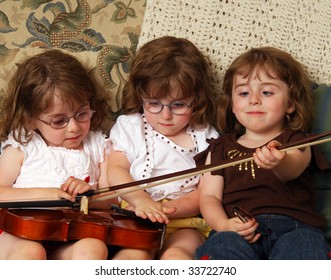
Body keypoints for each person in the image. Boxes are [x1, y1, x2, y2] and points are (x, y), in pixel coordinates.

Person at [0, 49, 168, 260]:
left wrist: (89, 196)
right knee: (31, 252)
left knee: (92, 249)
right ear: (31, 118)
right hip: (21, 235)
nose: (74, 128)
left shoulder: (97, 146)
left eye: (82, 114)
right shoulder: (23, 145)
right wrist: (47, 194)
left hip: (73, 237)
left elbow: (112, 199)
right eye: (59, 120)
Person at [194, 46, 329, 260]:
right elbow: (209, 196)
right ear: (232, 104)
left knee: (306, 244)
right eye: (244, 93)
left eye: (267, 92)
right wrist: (224, 225)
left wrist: (278, 163)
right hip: (238, 232)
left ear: (291, 104)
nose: (254, 99)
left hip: (295, 229)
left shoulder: (295, 140)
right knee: (223, 246)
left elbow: (292, 168)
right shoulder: (220, 147)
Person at [107, 36, 219, 260]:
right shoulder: (131, 127)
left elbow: (206, 192)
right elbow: (116, 170)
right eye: (154, 103)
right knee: (133, 257)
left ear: (196, 99)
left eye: (178, 104)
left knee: (178, 255)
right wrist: (142, 201)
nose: (166, 115)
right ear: (141, 97)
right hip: (136, 216)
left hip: (184, 221)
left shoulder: (206, 136)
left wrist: (167, 209)